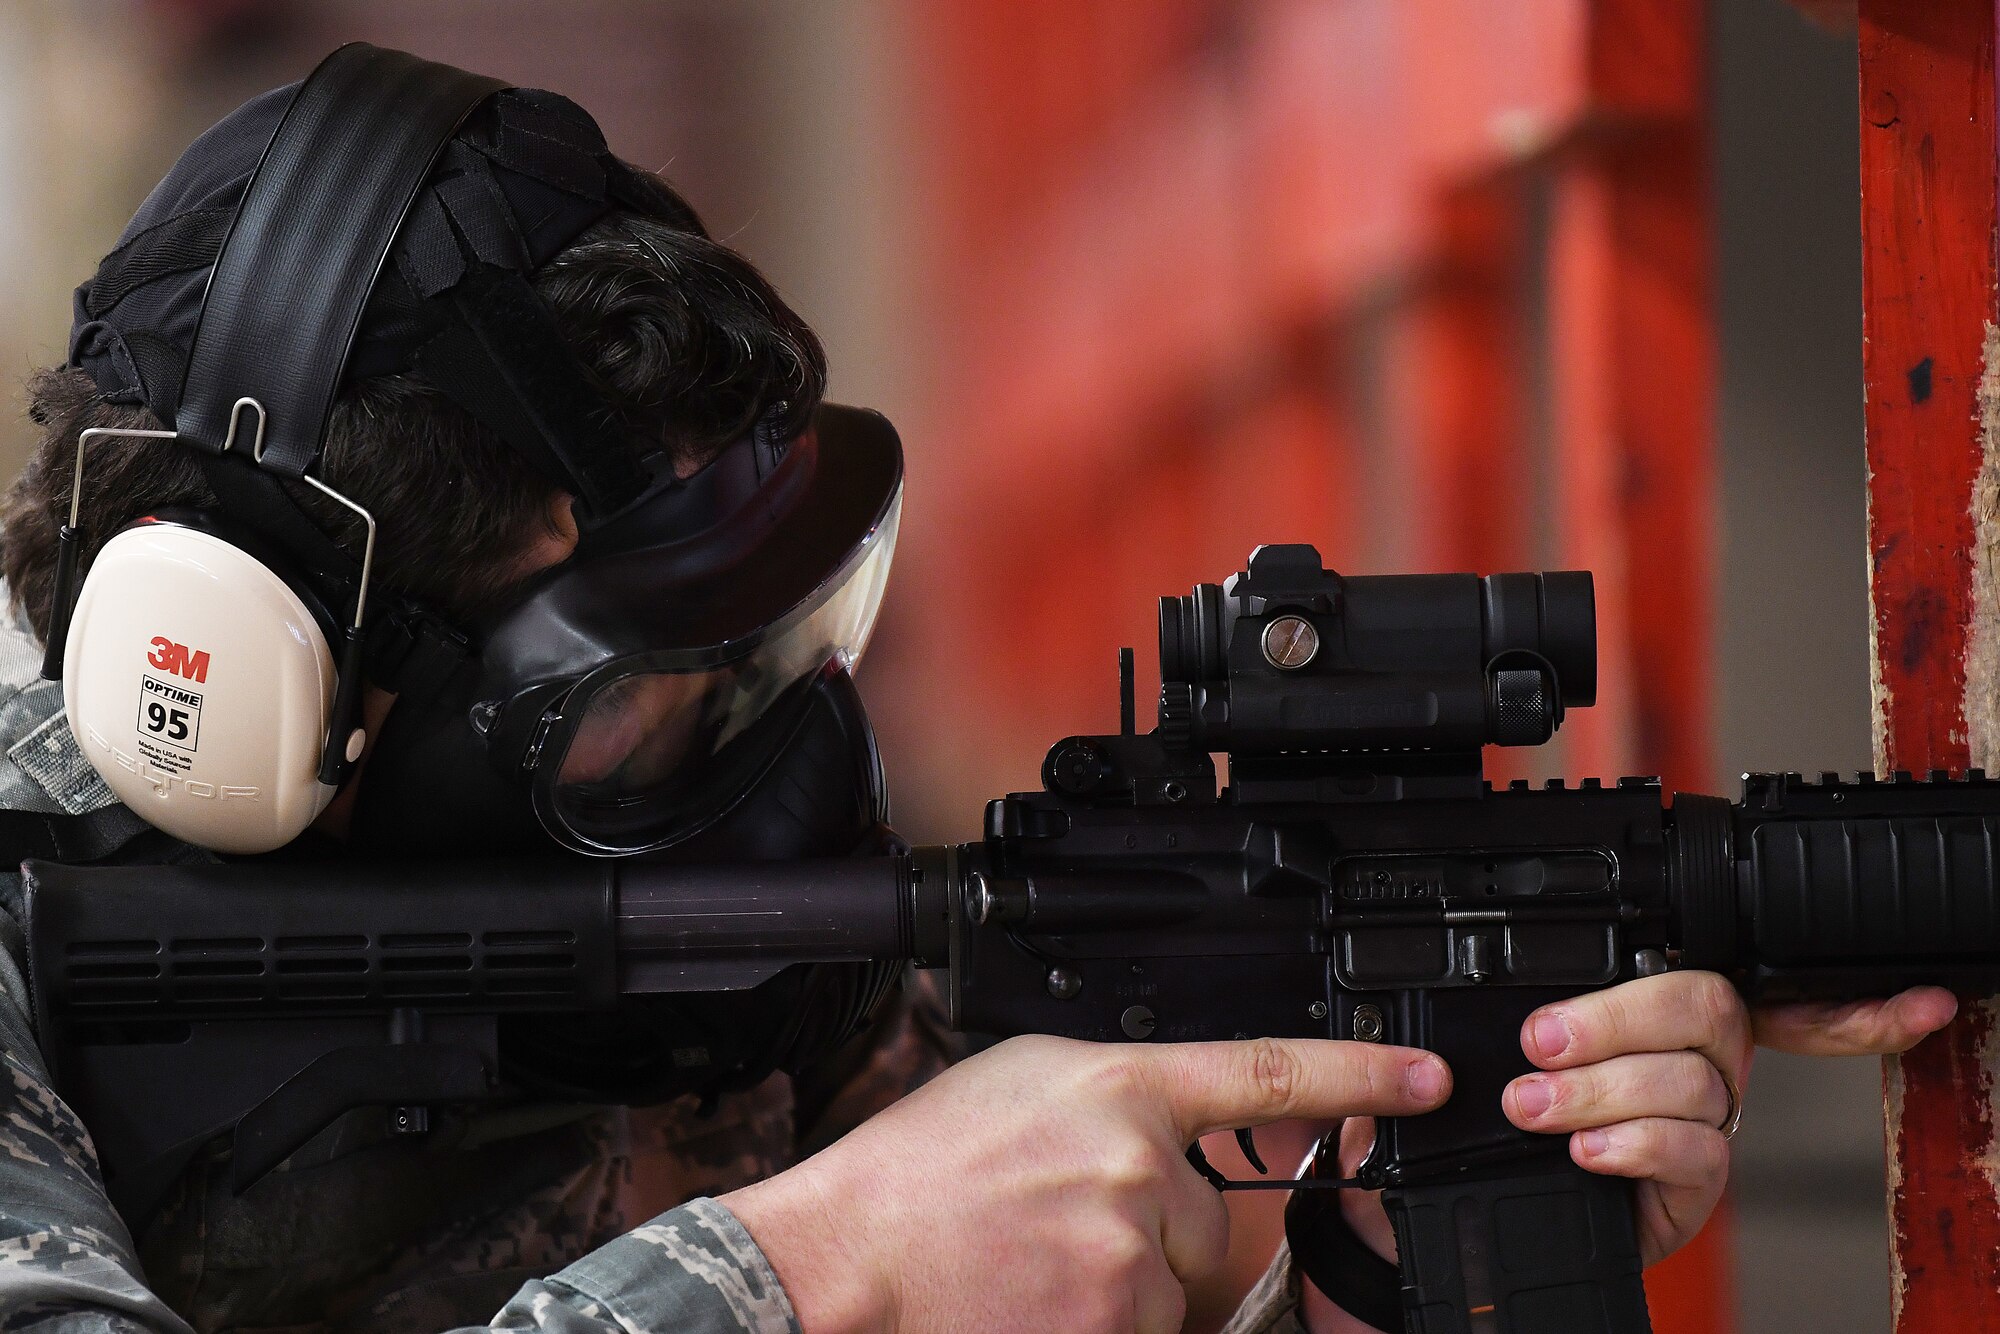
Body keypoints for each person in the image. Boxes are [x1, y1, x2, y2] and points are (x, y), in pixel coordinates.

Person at [0, 47, 1951, 1334]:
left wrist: (1359, 1269)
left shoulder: (711, 948)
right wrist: (821, 1270)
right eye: (638, 672)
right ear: (264, 689)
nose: (768, 741)